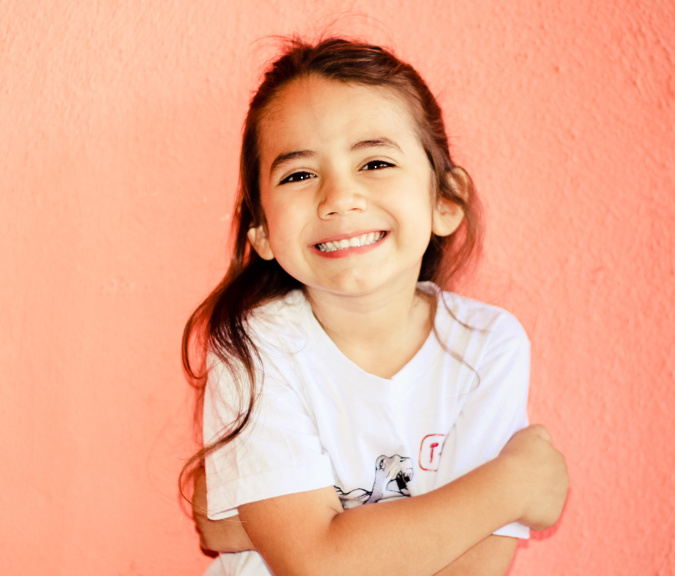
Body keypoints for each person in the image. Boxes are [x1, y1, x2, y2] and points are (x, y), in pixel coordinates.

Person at [181, 37, 569, 576]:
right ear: (264, 232)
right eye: (299, 174)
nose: (338, 197)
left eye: (376, 161)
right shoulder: (254, 346)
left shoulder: (487, 345)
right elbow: (316, 564)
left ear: (445, 201)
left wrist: (299, 522)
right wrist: (509, 487)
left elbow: (472, 568)